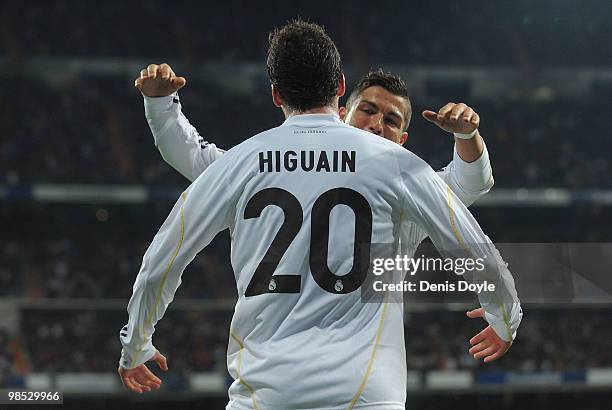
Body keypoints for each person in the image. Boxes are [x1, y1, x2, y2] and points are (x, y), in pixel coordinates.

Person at [118, 20, 522, 410]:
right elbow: (472, 242)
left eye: (391, 120)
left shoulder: (244, 163)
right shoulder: (399, 167)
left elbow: (162, 257)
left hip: (266, 393)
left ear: (277, 95)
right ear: (342, 95)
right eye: (368, 110)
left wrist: (136, 342)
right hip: (367, 394)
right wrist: (505, 316)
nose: (377, 125)